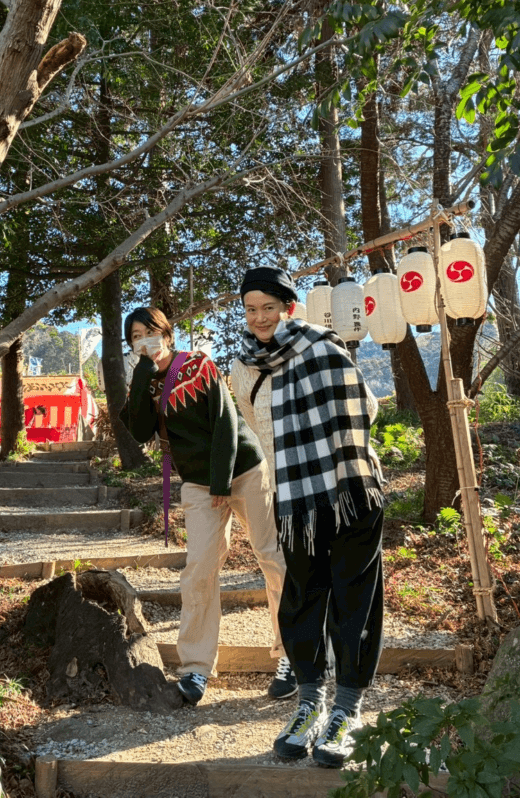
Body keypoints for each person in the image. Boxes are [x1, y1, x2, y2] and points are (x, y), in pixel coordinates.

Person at [231, 266, 384, 767]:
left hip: (351, 490)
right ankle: (309, 704)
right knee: (300, 597)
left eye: (269, 308)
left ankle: (347, 710)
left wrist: (329, 454)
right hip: (295, 501)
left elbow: (367, 407)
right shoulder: (245, 368)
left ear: (288, 307)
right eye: (251, 309)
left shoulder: (324, 345)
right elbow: (260, 431)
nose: (260, 318)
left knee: (353, 598)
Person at [119, 305, 295, 705]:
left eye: (151, 332)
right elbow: (141, 429)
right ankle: (196, 668)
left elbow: (225, 423)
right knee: (199, 569)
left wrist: (221, 480)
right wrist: (142, 373)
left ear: (167, 335)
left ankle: (293, 654)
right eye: (135, 337)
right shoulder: (144, 379)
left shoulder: (198, 365)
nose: (144, 341)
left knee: (271, 556)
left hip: (244, 469)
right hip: (198, 483)